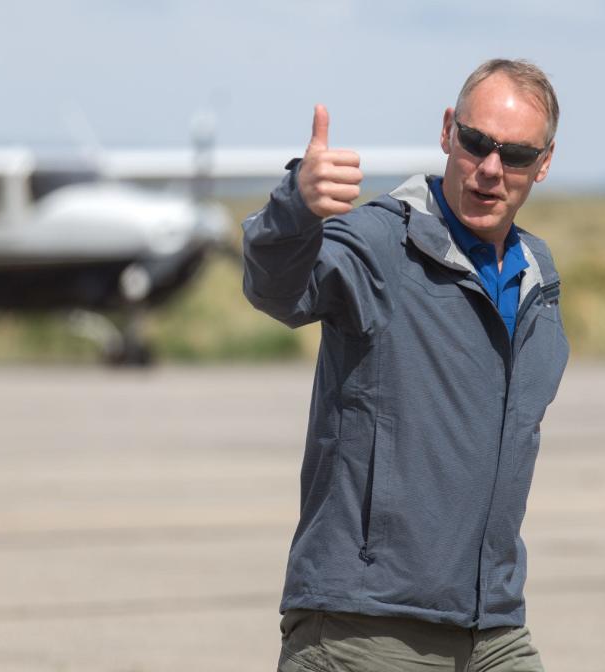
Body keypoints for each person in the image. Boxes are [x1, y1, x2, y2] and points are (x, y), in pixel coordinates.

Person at [242, 58, 569, 672]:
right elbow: (277, 289)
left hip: (491, 627)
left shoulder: (536, 279)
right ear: (448, 132)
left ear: (544, 163)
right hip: (364, 627)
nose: (491, 170)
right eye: (476, 143)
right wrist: (296, 207)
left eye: (517, 155)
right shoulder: (377, 246)